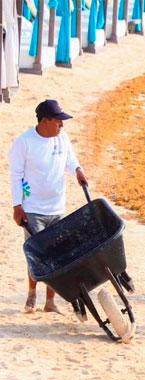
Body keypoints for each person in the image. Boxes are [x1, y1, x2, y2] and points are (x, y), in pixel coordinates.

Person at [8, 99, 89, 313]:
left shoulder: (61, 138)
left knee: (56, 254)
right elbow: (15, 176)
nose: (61, 126)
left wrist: (78, 170)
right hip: (33, 208)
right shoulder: (24, 143)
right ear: (44, 121)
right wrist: (17, 206)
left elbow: (70, 159)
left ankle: (50, 302)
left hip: (56, 207)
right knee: (37, 254)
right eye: (58, 122)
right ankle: (31, 295)